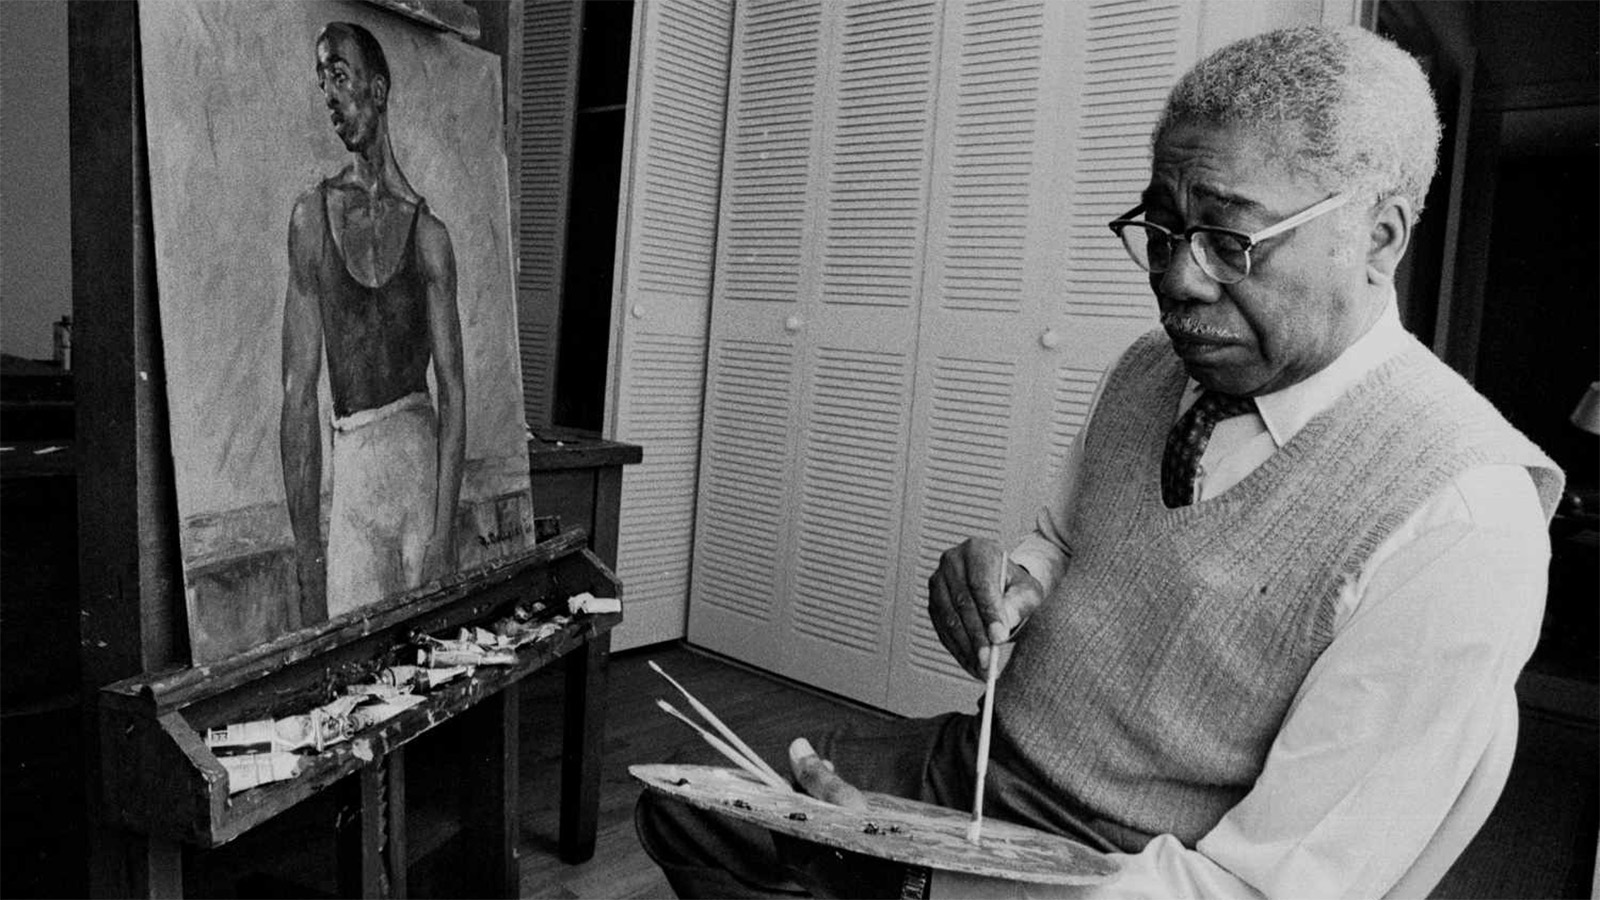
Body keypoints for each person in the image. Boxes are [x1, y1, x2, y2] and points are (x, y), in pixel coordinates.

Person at [635, 24, 1566, 899]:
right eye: (1162, 231)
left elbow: (1257, 890)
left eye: (1230, 240)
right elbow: (1067, 541)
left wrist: (920, 882)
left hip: (1117, 869)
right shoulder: (1150, 370)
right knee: (686, 803)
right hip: (983, 768)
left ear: (1379, 237)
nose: (1177, 279)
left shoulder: (1464, 521)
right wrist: (1013, 585)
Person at [280, 21, 466, 624]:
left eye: (340, 75)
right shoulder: (312, 219)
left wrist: (442, 537)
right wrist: (308, 552)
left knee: (427, 664)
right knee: (353, 669)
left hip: (417, 470)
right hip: (354, 474)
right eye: (321, 81)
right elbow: (297, 395)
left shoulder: (430, 237)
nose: (329, 96)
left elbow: (455, 391)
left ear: (378, 89)